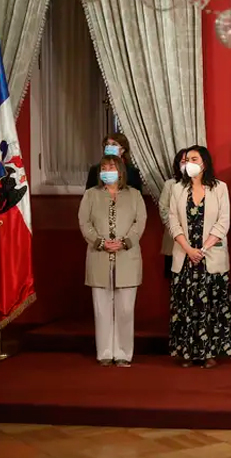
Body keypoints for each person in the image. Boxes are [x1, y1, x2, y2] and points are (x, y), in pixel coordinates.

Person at [78, 155, 147, 367]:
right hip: (99, 257)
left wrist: (125, 242)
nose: (107, 170)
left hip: (127, 258)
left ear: (120, 171)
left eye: (112, 167)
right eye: (104, 167)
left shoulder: (134, 195)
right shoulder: (91, 195)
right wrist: (100, 242)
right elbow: (84, 222)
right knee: (102, 308)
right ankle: (105, 352)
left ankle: (124, 353)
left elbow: (140, 222)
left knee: (126, 309)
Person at [168, 145, 231, 368]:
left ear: (204, 163)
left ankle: (209, 353)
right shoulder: (177, 188)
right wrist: (188, 249)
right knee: (186, 307)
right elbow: (173, 221)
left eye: (194, 159)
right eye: (186, 160)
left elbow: (223, 221)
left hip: (210, 256)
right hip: (185, 257)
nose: (189, 163)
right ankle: (187, 353)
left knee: (211, 307)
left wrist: (203, 249)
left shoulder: (220, 188)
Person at [159, 148, 187, 280]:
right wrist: (176, 230)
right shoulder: (170, 184)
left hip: (197, 243)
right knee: (174, 280)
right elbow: (163, 209)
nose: (186, 164)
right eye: (183, 161)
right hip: (173, 240)